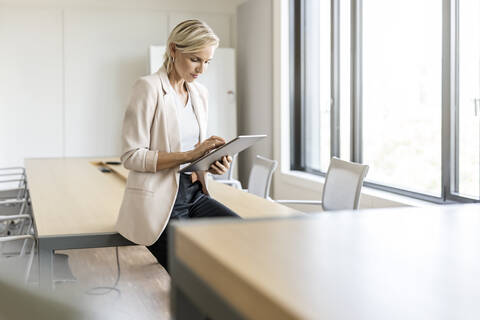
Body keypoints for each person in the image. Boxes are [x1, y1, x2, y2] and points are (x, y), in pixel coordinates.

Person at [116, 19, 239, 272]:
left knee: (242, 236)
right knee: (193, 275)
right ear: (173, 50)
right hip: (161, 201)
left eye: (207, 61)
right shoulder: (148, 88)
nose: (201, 69)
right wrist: (188, 155)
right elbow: (131, 156)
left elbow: (193, 153)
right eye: (195, 59)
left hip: (194, 192)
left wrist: (210, 162)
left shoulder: (199, 93)